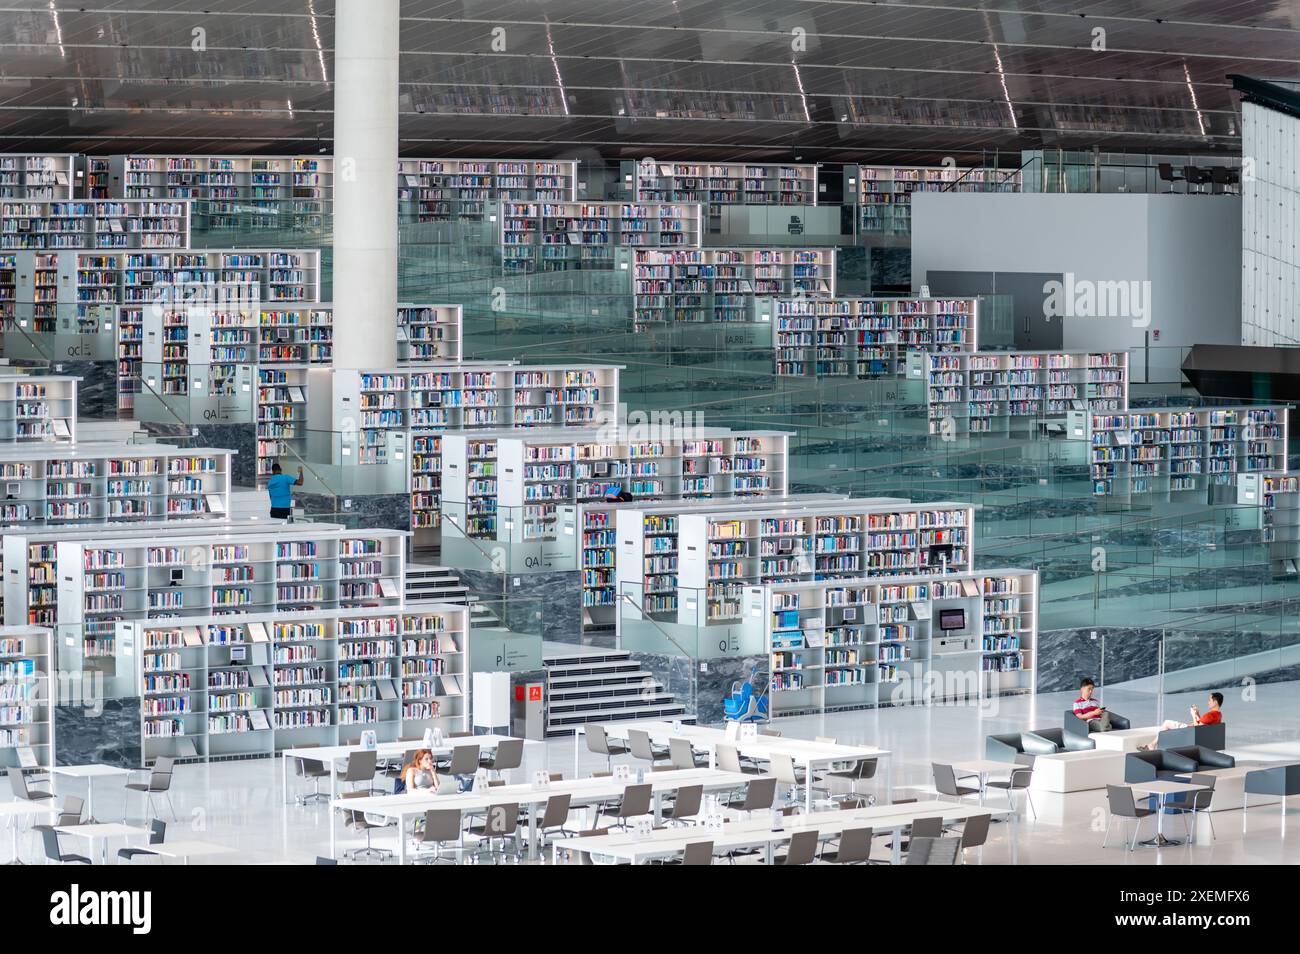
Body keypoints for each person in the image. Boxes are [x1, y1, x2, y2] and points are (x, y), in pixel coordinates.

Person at [1139, 692, 1223, 750]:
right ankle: (1152, 745)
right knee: (1168, 724)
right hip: (1194, 732)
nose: (1208, 702)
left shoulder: (1210, 715)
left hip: (1189, 732)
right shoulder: (1218, 715)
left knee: (1166, 723)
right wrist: (1197, 714)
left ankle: (1152, 745)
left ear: (1215, 702)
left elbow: (1198, 729)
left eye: (1209, 700)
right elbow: (1203, 725)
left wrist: (1193, 715)